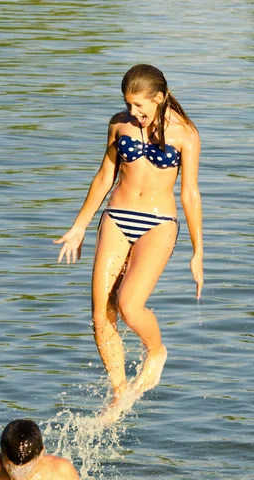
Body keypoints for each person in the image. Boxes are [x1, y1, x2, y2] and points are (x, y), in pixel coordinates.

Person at [55, 64, 203, 407]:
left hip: (159, 222)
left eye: (141, 107)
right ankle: (119, 394)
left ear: (160, 98)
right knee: (99, 312)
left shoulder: (186, 134)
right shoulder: (118, 124)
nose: (134, 113)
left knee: (128, 305)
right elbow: (105, 175)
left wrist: (197, 252)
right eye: (129, 105)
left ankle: (157, 350)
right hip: (117, 217)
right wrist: (79, 226)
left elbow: (190, 193)